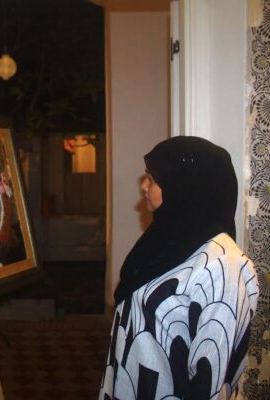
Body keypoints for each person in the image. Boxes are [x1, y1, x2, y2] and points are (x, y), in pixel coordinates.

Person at [99, 136, 259, 400]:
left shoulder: (223, 265)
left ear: (186, 185)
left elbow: (212, 376)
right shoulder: (163, 242)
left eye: (152, 178)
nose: (144, 186)